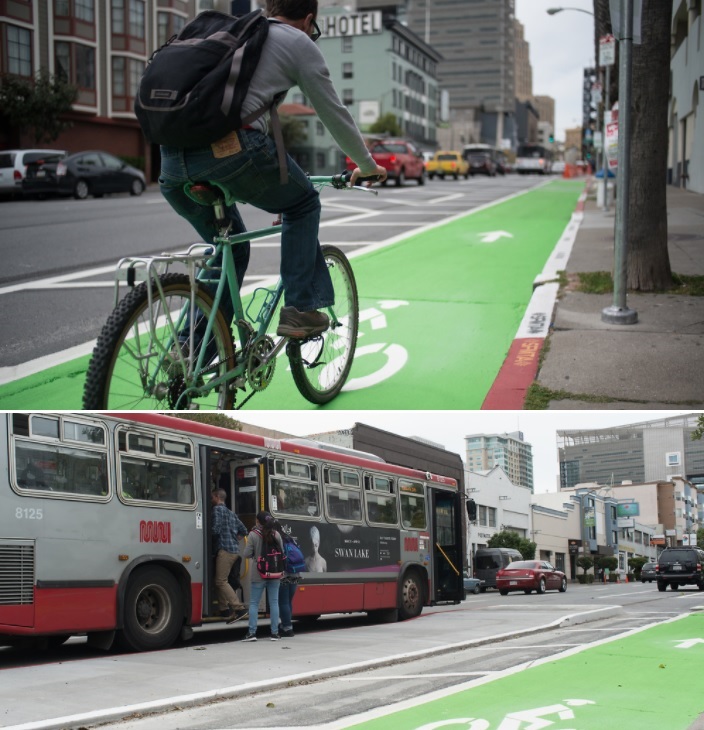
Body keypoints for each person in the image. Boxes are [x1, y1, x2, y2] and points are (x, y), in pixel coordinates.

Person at [158, 0, 387, 339]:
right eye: (314, 29)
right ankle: (299, 310)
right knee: (302, 203)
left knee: (230, 248)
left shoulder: (236, 35)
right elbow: (333, 113)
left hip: (171, 160)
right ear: (309, 20)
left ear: (269, 7)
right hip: (233, 151)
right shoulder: (297, 42)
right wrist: (367, 165)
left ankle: (190, 355)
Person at [242, 510, 285, 641]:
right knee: (274, 602)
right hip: (275, 572)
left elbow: (246, 554)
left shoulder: (253, 535)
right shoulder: (276, 534)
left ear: (257, 521)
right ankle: (274, 633)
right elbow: (281, 552)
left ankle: (252, 633)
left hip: (259, 573)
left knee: (254, 603)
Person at [211, 488, 248, 623]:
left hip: (224, 551)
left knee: (221, 581)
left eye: (211, 497)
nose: (211, 500)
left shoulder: (217, 510)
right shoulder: (231, 513)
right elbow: (244, 530)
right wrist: (235, 538)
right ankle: (224, 610)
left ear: (216, 496)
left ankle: (239, 609)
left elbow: (215, 530)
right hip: (234, 551)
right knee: (219, 580)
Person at [274, 521, 301, 638]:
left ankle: (287, 627)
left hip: (284, 574)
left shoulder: (277, 539)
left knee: (283, 602)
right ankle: (287, 625)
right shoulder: (289, 538)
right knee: (288, 601)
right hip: (295, 573)